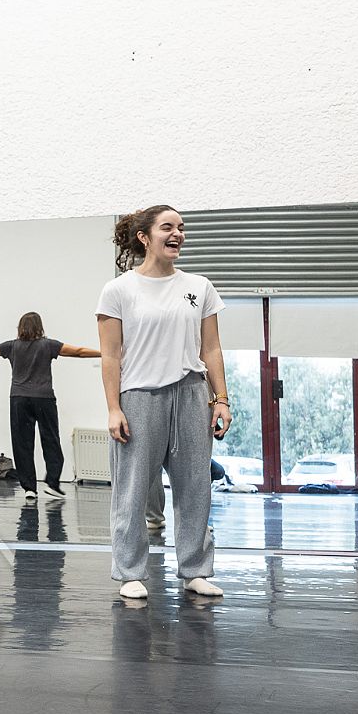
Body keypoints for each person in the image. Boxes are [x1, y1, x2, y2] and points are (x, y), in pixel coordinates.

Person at [96, 206, 229, 600]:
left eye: (181, 228)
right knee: (132, 489)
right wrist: (114, 408)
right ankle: (130, 572)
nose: (178, 234)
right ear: (144, 237)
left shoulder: (199, 286)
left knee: (195, 487)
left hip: (192, 394)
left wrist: (221, 399)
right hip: (138, 397)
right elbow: (110, 356)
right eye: (167, 227)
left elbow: (211, 348)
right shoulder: (118, 290)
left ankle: (196, 569)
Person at [0, 313, 100, 502]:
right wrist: (105, 353)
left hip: (19, 399)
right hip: (44, 398)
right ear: (40, 327)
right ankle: (52, 483)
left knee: (22, 443)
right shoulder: (48, 345)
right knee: (51, 439)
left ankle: (29, 489)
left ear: (20, 327)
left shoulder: (11, 346)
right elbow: (79, 351)